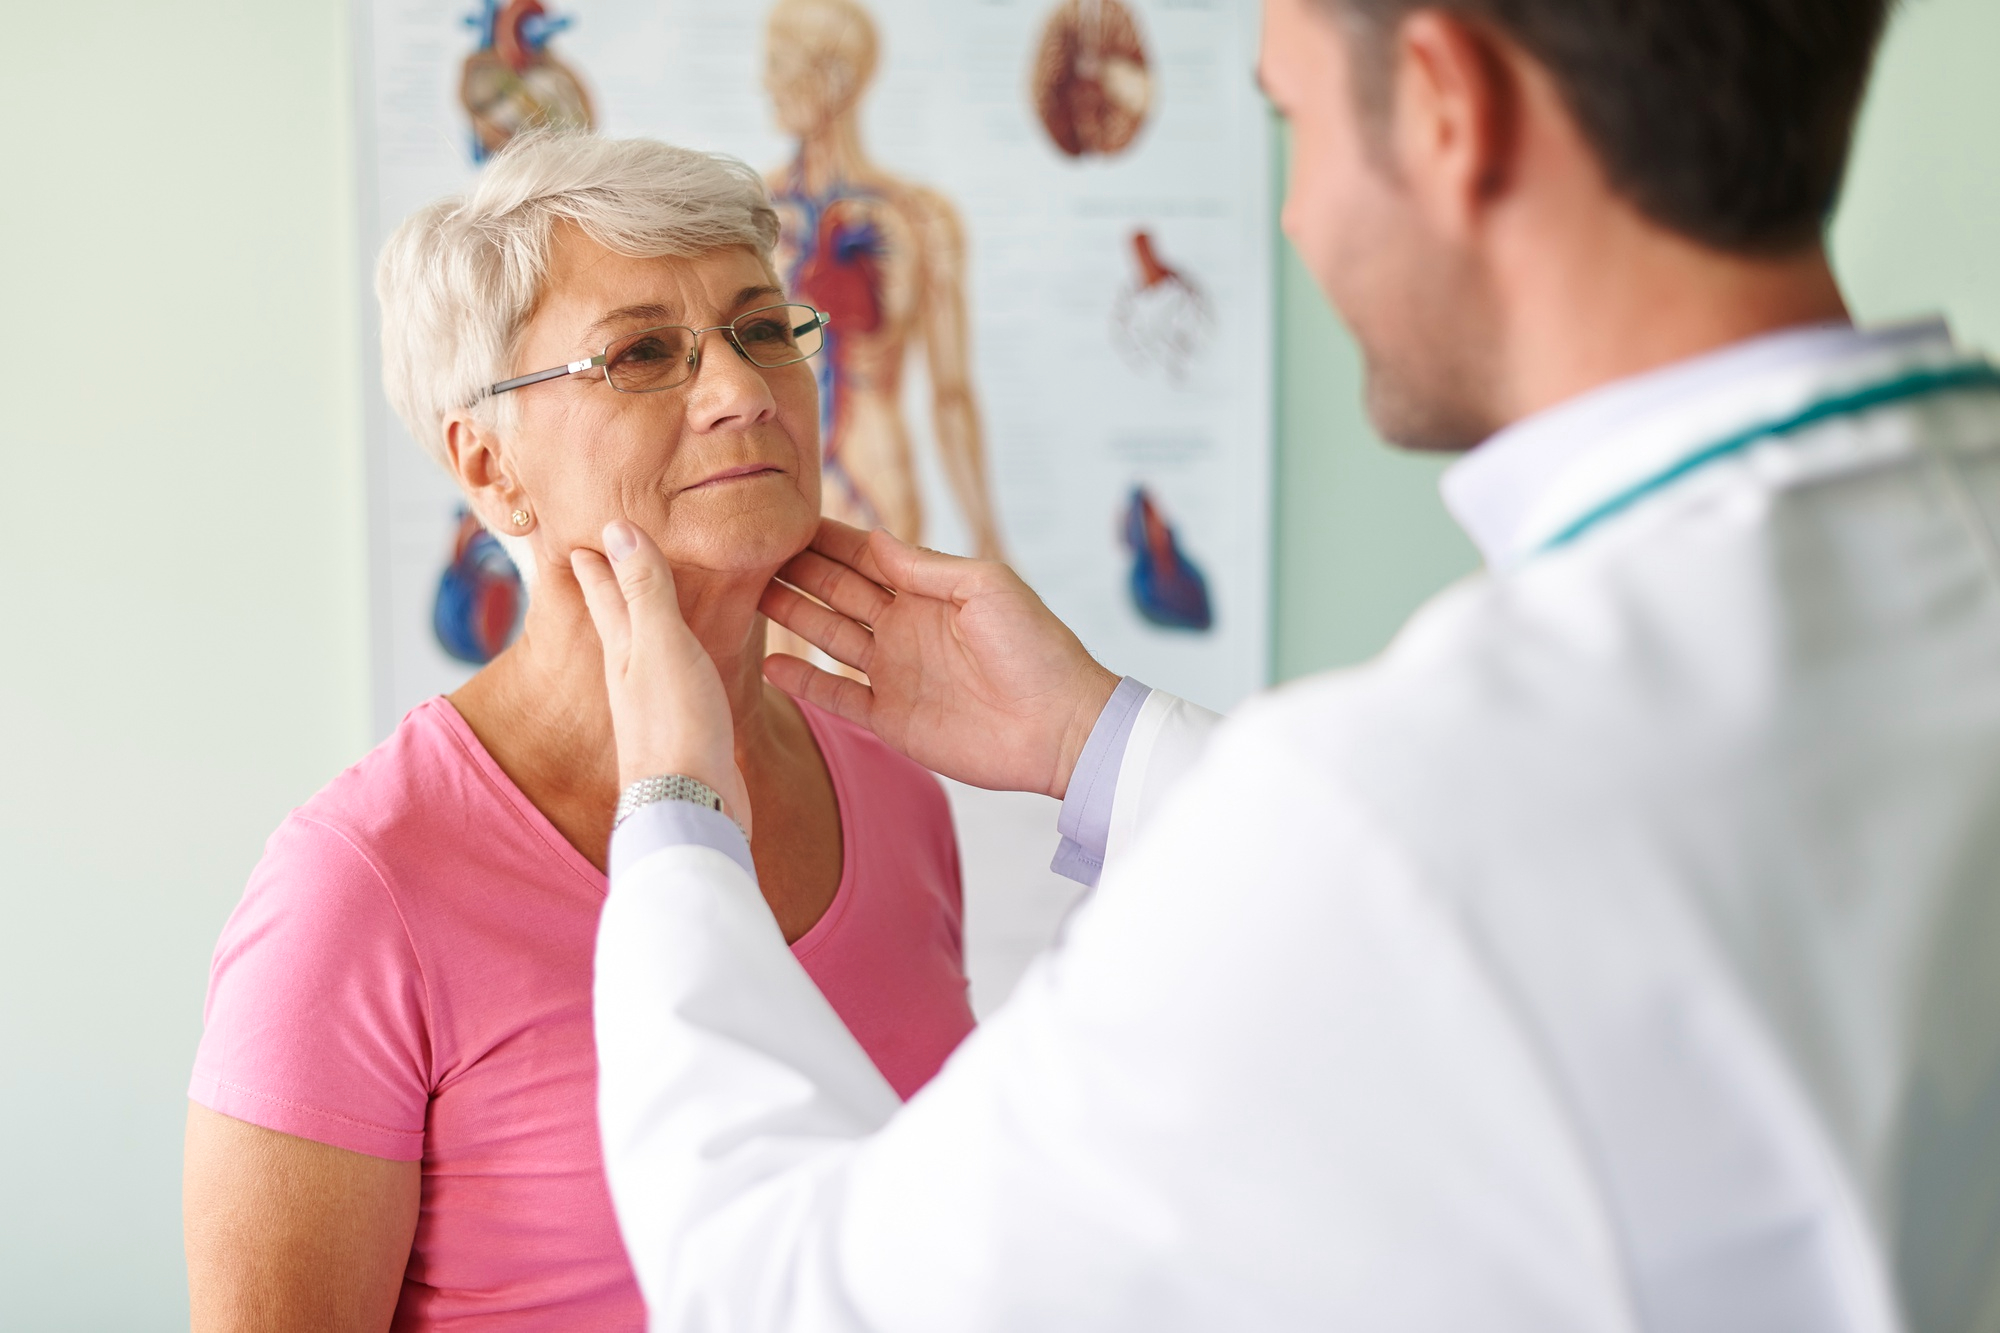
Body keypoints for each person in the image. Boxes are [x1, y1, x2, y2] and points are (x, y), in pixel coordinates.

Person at [575, 0, 2000, 1327]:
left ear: (1446, 102)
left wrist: (678, 814)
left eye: (1294, 125)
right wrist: (1096, 742)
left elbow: (781, 1289)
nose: (1299, 215)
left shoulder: (1396, 809)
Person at [181, 132, 977, 1331]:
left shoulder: (897, 794)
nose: (742, 391)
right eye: (642, 353)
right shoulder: (358, 890)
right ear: (491, 467)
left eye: (763, 329)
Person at [762, 0, 1006, 561]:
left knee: (879, 644)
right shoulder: (751, 212)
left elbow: (951, 395)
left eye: (780, 64)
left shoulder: (919, 218)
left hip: (878, 478)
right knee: (772, 650)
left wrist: (986, 534)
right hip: (775, 481)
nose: (766, 83)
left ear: (834, 79)